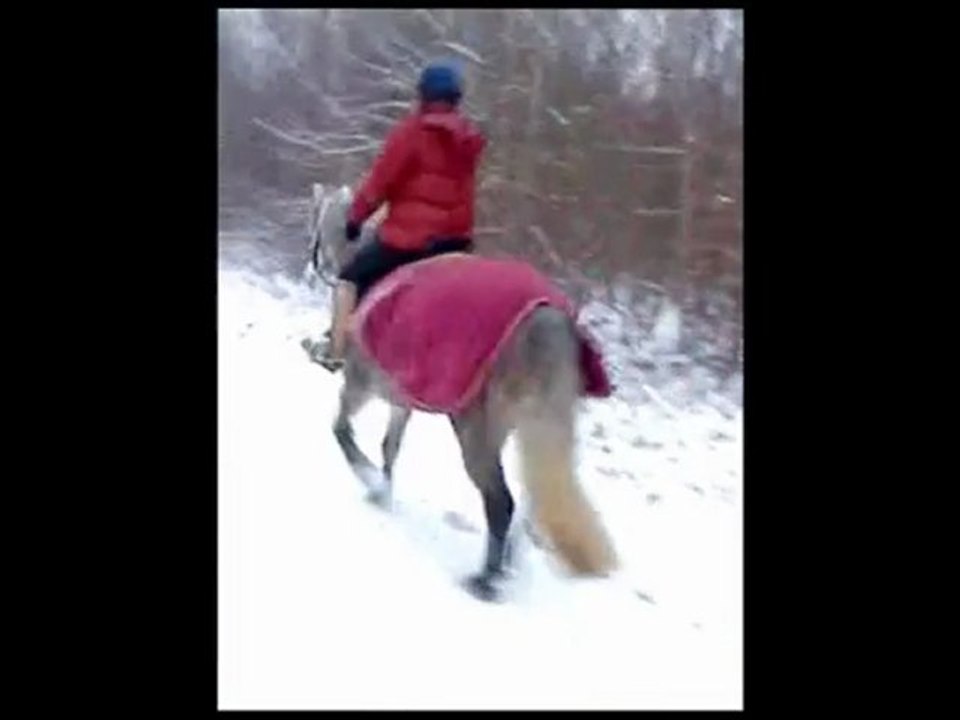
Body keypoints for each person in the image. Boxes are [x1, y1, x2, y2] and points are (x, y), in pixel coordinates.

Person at [317, 59, 487, 372]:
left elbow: (380, 182)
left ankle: (335, 351)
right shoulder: (468, 139)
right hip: (456, 243)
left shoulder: (412, 132)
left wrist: (356, 218)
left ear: (422, 95)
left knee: (350, 277)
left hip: (411, 241)